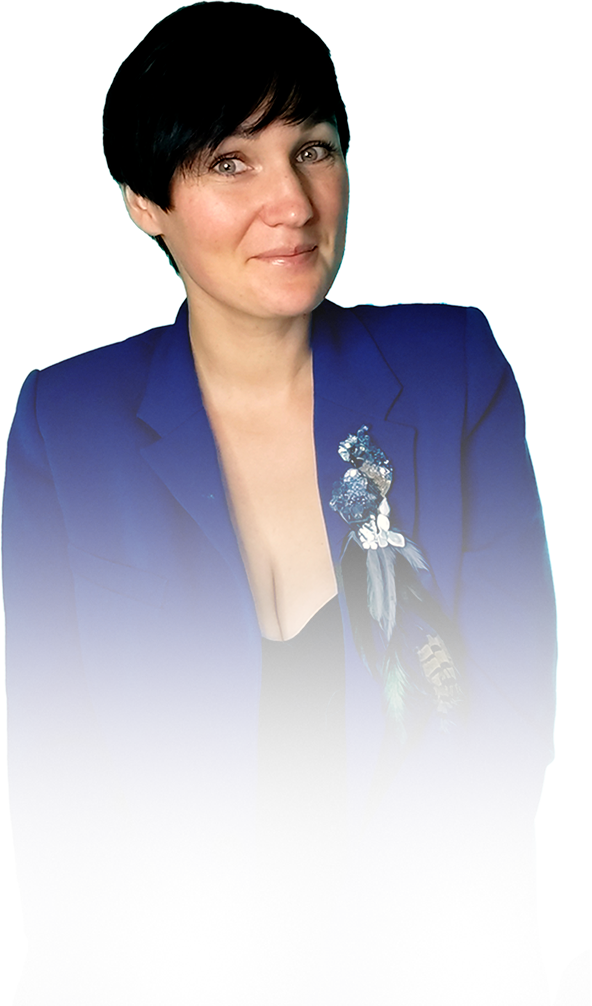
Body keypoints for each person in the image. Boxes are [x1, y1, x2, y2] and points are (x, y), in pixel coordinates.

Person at [1, 3, 557, 1005]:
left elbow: (489, 725)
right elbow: (62, 771)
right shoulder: (67, 423)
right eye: (230, 161)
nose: (291, 202)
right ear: (144, 201)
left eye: (313, 149)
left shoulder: (452, 373)